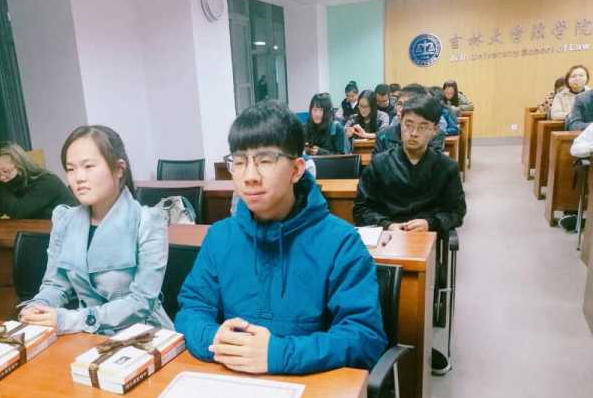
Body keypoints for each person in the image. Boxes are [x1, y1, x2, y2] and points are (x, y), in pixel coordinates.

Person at [175, 100, 387, 374]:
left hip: (311, 387)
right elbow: (191, 310)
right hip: (229, 382)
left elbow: (364, 337)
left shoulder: (340, 242)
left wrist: (277, 353)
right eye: (239, 162)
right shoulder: (219, 237)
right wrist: (214, 339)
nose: (249, 176)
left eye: (265, 161)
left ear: (296, 170)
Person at [19, 125, 172, 334]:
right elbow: (55, 285)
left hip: (143, 334)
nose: (78, 177)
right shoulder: (64, 220)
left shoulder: (147, 221)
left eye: (88, 166)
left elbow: (141, 301)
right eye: (70, 169)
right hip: (89, 334)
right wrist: (37, 307)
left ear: (119, 169)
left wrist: (71, 319)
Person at [354, 94, 466, 233]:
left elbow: (456, 212)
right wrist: (388, 225)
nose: (413, 133)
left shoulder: (447, 167)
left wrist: (430, 223)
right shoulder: (379, 164)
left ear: (434, 130)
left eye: (422, 127)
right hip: (389, 236)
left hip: (428, 235)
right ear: (400, 123)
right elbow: (360, 209)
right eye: (408, 125)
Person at [0, 142, 77, 220]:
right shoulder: (13, 183)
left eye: (5, 171)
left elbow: (20, 212)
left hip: (71, 233)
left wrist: (3, 186)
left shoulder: (46, 181)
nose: (2, 177)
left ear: (20, 166)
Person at [374, 84, 446, 154]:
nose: (401, 109)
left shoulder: (434, 134)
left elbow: (433, 160)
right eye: (399, 104)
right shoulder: (383, 135)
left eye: (407, 105)